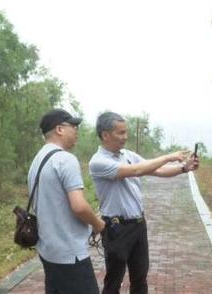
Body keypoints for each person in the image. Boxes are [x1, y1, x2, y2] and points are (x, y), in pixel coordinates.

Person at [89, 111, 199, 294]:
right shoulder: (98, 162)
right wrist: (168, 156)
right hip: (116, 228)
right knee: (113, 281)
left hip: (139, 225)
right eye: (121, 133)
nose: (125, 137)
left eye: (126, 132)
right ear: (105, 135)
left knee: (140, 279)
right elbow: (136, 170)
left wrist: (183, 168)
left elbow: (157, 170)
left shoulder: (128, 154)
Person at [28, 109, 106, 294]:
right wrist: (99, 224)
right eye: (73, 126)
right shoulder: (65, 159)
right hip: (70, 255)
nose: (76, 130)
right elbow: (79, 206)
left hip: (48, 250)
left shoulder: (37, 161)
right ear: (59, 129)